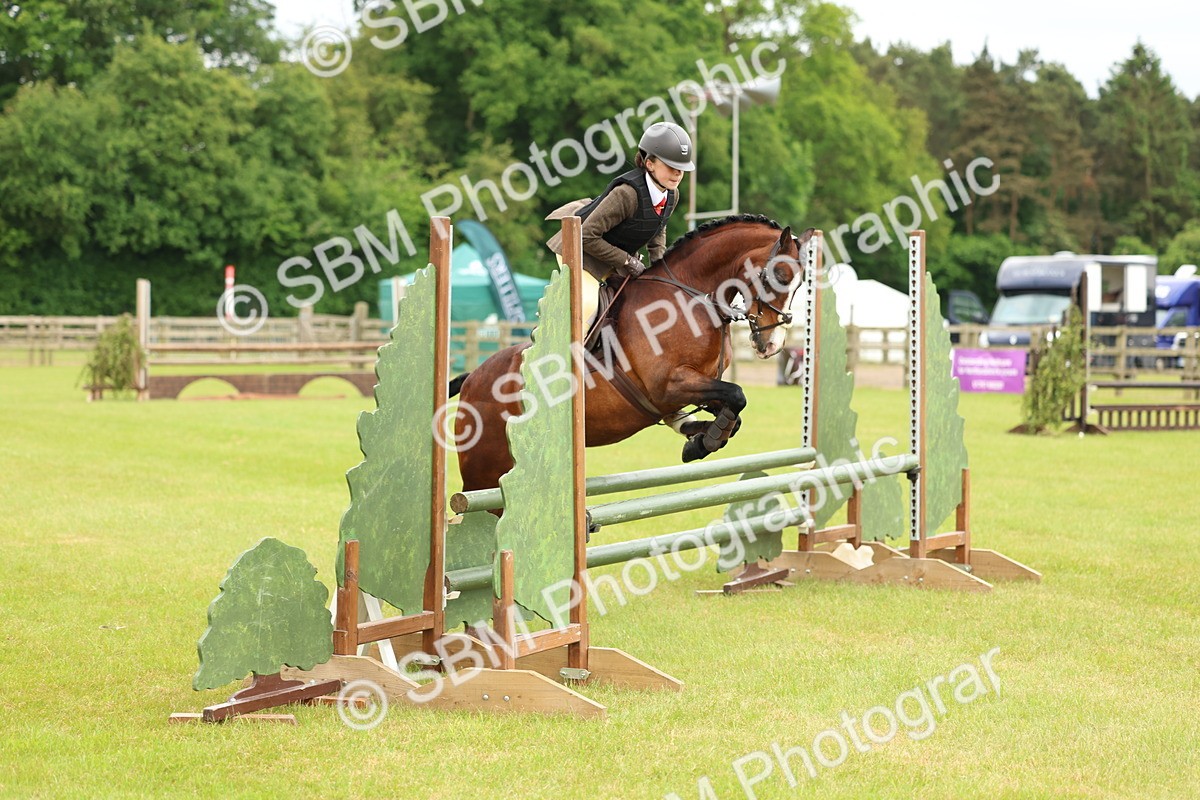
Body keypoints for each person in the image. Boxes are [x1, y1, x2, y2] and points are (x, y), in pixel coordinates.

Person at [546, 121, 695, 323]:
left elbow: (657, 230)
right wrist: (627, 260)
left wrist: (661, 270)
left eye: (681, 168)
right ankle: (569, 354)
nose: (678, 173)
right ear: (649, 163)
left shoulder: (672, 194)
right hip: (579, 253)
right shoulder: (627, 194)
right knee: (588, 307)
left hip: (611, 259)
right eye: (671, 166)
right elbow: (586, 236)